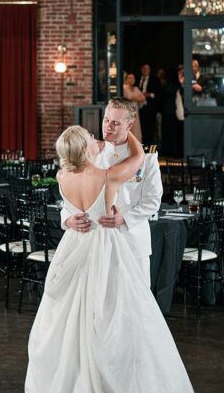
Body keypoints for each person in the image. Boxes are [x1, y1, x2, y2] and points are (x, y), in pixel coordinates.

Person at [25, 125, 195, 393]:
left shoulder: (63, 176)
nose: (96, 137)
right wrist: (128, 132)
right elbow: (141, 156)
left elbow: (67, 209)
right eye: (90, 137)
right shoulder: (108, 175)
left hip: (75, 247)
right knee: (112, 311)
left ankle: (73, 377)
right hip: (104, 245)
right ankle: (114, 380)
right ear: (84, 148)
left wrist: (68, 220)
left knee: (74, 314)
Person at [60, 98, 162, 285]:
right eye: (106, 120)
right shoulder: (90, 152)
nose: (108, 127)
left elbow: (152, 201)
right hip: (95, 243)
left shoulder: (146, 157)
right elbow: (71, 193)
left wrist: (124, 218)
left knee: (134, 303)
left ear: (129, 125)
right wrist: (67, 218)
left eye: (115, 123)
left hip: (131, 241)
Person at [137, 64, 161, 146]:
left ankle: (150, 149)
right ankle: (141, 148)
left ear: (150, 70)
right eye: (144, 69)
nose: (145, 70)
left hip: (150, 107)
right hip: (139, 108)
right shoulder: (137, 79)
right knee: (140, 129)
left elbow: (159, 93)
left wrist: (150, 94)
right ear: (141, 69)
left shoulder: (155, 79)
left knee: (150, 129)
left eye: (147, 69)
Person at [121, 72, 146, 141]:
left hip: (135, 112)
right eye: (130, 78)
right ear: (126, 79)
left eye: (133, 78)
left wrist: (133, 98)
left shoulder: (136, 88)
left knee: (136, 129)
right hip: (127, 112)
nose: (132, 79)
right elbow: (128, 98)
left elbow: (143, 98)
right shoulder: (124, 87)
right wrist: (136, 98)